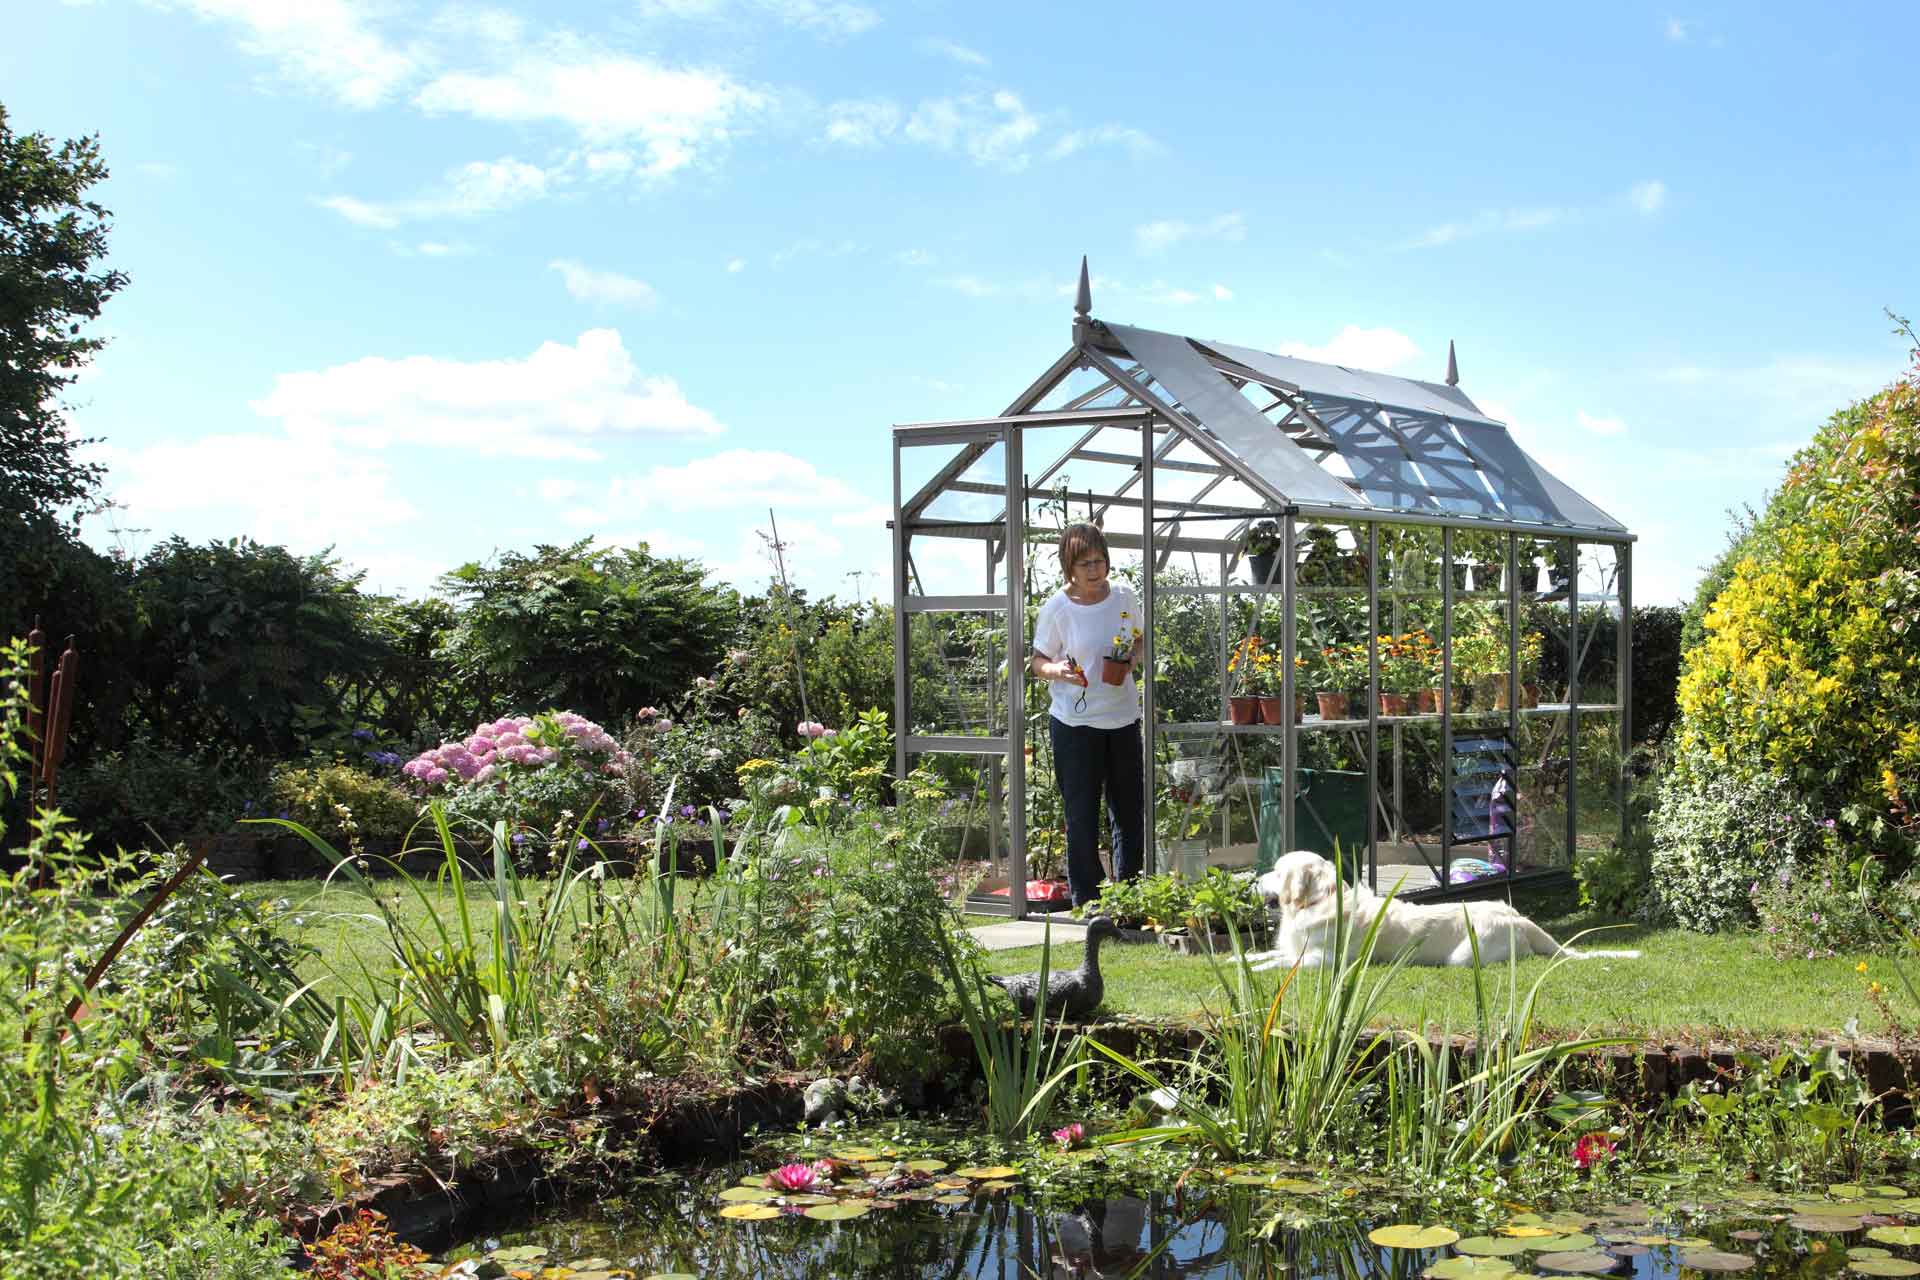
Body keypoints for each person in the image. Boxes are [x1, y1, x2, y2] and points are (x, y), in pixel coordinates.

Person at [1028, 523, 1146, 909]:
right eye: (1085, 563)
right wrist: (1057, 671)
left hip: (1122, 718)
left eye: (1099, 561)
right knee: (1080, 815)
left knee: (1128, 813)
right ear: (1069, 567)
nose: (1094, 570)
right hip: (1074, 725)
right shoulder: (1058, 608)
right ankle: (1089, 902)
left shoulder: (1125, 596)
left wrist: (1132, 660)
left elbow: (1139, 638)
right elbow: (1037, 660)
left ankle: (1129, 897)